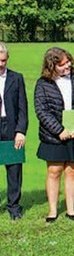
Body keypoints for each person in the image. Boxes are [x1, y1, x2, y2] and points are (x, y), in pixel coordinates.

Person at [35, 47, 74, 222]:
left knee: (73, 171)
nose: (67, 66)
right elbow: (41, 110)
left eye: (68, 62)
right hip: (54, 135)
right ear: (52, 65)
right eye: (62, 64)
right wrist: (59, 130)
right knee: (54, 170)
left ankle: (71, 209)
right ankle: (52, 211)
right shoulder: (42, 83)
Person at [0, 43, 27, 220]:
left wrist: (21, 131)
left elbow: (22, 107)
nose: (0, 64)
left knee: (14, 168)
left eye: (3, 60)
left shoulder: (16, 78)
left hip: (10, 126)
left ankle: (14, 207)